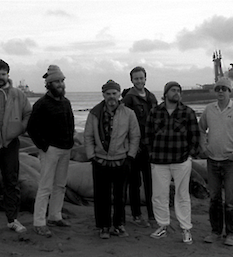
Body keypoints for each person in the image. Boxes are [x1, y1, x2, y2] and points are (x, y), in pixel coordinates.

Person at [199, 77, 233, 246]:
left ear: (230, 91)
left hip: (230, 162)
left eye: (224, 88)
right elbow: (201, 129)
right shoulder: (209, 109)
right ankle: (215, 232)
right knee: (214, 199)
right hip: (212, 161)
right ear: (215, 92)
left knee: (230, 200)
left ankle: (231, 234)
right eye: (218, 89)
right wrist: (204, 147)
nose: (221, 91)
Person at [145, 81, 200, 244]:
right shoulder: (155, 112)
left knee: (182, 195)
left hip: (181, 160)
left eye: (178, 90)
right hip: (159, 160)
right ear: (166, 93)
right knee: (159, 195)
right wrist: (151, 152)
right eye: (173, 90)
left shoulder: (188, 112)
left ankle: (186, 229)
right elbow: (147, 135)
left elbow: (195, 135)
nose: (177, 93)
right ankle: (162, 226)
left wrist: (191, 154)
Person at [84, 80, 140, 239]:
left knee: (120, 196)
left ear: (119, 94)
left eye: (114, 93)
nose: (111, 97)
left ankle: (119, 225)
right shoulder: (94, 113)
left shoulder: (129, 113)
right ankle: (103, 226)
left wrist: (130, 156)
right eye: (108, 94)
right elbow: (88, 136)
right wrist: (91, 156)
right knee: (102, 196)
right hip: (100, 161)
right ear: (103, 95)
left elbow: (135, 136)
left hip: (121, 160)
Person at [0, 59, 31, 235]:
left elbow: (28, 113)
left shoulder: (18, 95)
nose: (1, 77)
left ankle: (12, 220)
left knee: (11, 182)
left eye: (4, 74)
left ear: (8, 75)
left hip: (11, 143)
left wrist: (20, 128)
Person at [27, 65, 75, 237]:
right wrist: (44, 147)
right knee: (45, 186)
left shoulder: (66, 102)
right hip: (50, 150)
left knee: (60, 185)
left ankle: (55, 216)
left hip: (65, 149)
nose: (61, 84)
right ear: (49, 84)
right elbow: (32, 127)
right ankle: (39, 222)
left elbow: (71, 123)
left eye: (62, 81)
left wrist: (70, 142)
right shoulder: (41, 104)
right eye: (57, 82)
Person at [122, 66, 157, 227]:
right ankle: (136, 215)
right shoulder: (129, 99)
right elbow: (125, 123)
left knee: (151, 182)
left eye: (141, 78)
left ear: (145, 78)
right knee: (134, 183)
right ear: (131, 80)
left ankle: (152, 214)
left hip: (150, 147)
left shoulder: (151, 97)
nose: (139, 81)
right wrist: (131, 145)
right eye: (136, 78)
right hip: (135, 147)